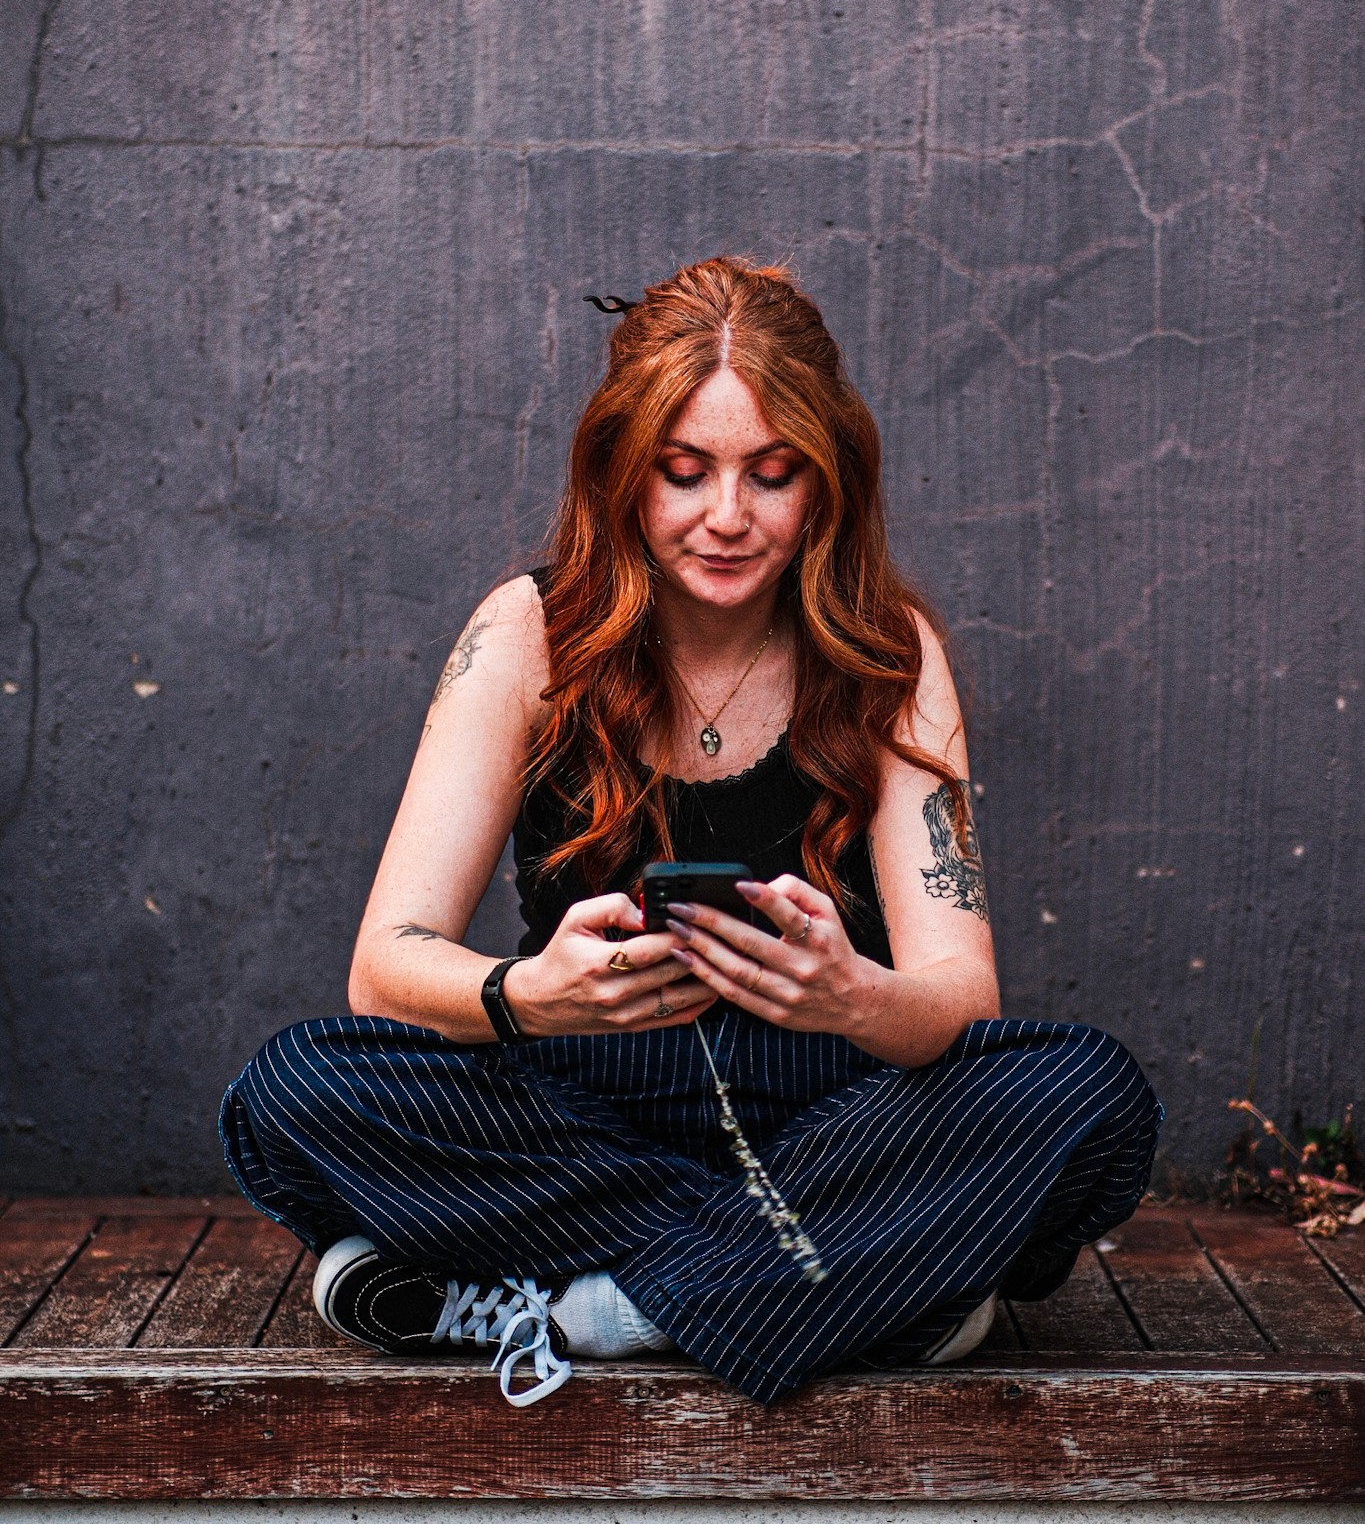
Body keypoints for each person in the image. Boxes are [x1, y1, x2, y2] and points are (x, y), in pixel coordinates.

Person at [220, 256, 1160, 1407]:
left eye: (773, 474)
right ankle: (849, 1288)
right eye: (684, 472)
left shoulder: (888, 649)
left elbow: (961, 995)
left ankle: (589, 1309)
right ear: (623, 473)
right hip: (578, 1111)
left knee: (1089, 1094)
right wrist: (530, 995)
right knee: (295, 1087)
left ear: (828, 480)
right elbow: (387, 962)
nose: (727, 516)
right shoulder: (528, 634)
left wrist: (848, 995)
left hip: (831, 1117)